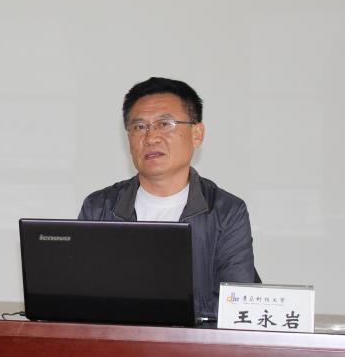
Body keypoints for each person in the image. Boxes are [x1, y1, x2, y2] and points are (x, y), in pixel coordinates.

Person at [77, 77, 257, 320]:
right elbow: (81, 298)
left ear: (197, 134)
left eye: (164, 124)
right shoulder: (99, 208)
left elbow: (235, 306)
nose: (151, 137)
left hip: (194, 344)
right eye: (139, 127)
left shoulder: (226, 212)